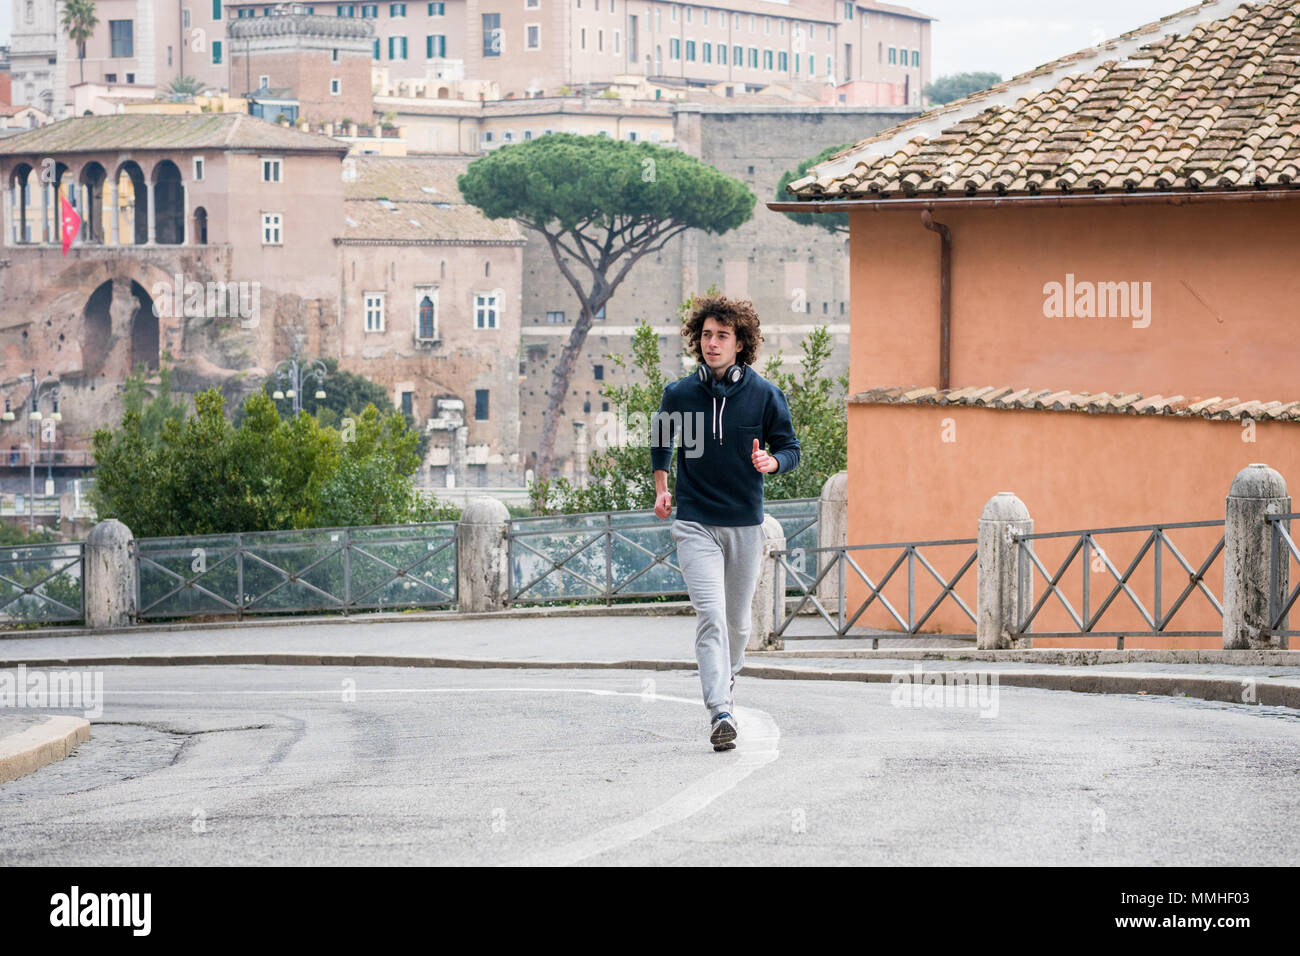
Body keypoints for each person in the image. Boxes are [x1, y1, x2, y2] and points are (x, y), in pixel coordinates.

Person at [650, 295, 800, 752]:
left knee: (737, 624)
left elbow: (791, 448)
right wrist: (661, 488)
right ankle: (720, 711)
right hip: (695, 521)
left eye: (722, 336)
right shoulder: (679, 394)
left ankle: (727, 682)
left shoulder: (765, 395)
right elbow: (661, 442)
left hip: (744, 525)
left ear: (740, 344)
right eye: (706, 335)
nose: (711, 344)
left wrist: (771, 462)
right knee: (711, 616)